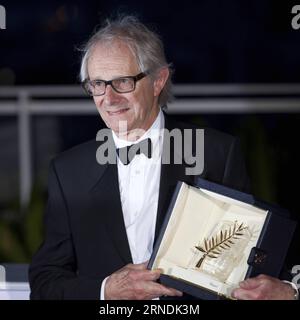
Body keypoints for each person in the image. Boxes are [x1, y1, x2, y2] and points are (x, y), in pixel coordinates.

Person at [29, 15, 298, 300]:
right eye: (97, 83)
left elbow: (255, 258)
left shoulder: (215, 153)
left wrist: (290, 290)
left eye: (122, 82)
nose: (108, 98)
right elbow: (46, 282)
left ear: (158, 80)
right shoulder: (68, 171)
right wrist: (106, 290)